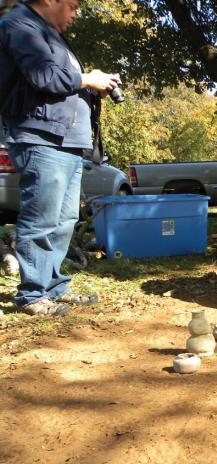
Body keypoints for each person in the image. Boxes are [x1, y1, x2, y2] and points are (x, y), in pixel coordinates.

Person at [1, 0, 121, 315]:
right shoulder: (20, 25)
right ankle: (32, 295)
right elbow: (43, 76)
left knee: (65, 219)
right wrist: (86, 78)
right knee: (41, 217)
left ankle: (53, 287)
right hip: (41, 137)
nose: (76, 13)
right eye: (72, 6)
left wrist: (91, 88)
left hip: (67, 141)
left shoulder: (49, 33)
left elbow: (57, 82)